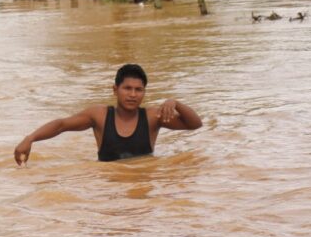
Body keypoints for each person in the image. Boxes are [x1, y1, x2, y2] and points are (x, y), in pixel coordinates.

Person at [14, 64, 202, 165]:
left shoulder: (153, 117)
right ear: (115, 90)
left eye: (139, 89)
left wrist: (175, 103)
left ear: (144, 92)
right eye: (127, 88)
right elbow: (62, 125)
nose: (133, 95)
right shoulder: (99, 116)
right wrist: (30, 138)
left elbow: (195, 124)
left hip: (144, 180)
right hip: (108, 184)